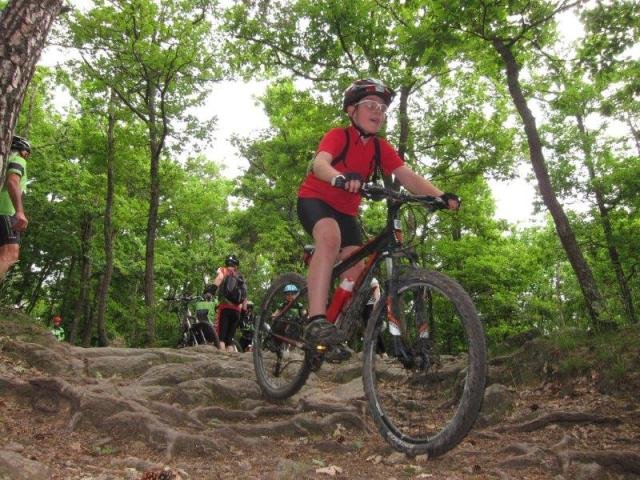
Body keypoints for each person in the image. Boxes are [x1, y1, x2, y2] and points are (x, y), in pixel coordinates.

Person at [297, 78, 460, 350]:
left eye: (383, 109)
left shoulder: (379, 148)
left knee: (356, 270)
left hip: (346, 212)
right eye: (370, 105)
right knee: (328, 237)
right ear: (352, 111)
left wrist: (439, 196)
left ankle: (333, 334)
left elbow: (407, 176)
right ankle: (316, 319)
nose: (378, 112)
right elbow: (320, 164)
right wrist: (338, 178)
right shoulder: (339, 135)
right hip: (315, 200)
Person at [0, 136, 31, 280]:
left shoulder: (5, 160)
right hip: (5, 211)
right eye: (27, 153)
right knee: (11, 253)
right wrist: (19, 211)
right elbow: (13, 181)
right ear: (23, 151)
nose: (27, 156)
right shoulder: (18, 160)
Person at [205, 254, 246, 351]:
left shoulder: (223, 270)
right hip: (237, 311)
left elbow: (219, 278)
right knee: (229, 340)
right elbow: (245, 297)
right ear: (236, 265)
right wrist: (243, 315)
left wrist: (210, 292)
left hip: (225, 308)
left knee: (221, 338)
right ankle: (231, 363)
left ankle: (222, 362)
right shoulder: (240, 277)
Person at [362, 277, 385, 355]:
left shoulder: (372, 279)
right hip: (367, 311)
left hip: (371, 310)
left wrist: (375, 311)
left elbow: (376, 294)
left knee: (374, 331)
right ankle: (376, 352)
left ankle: (383, 351)